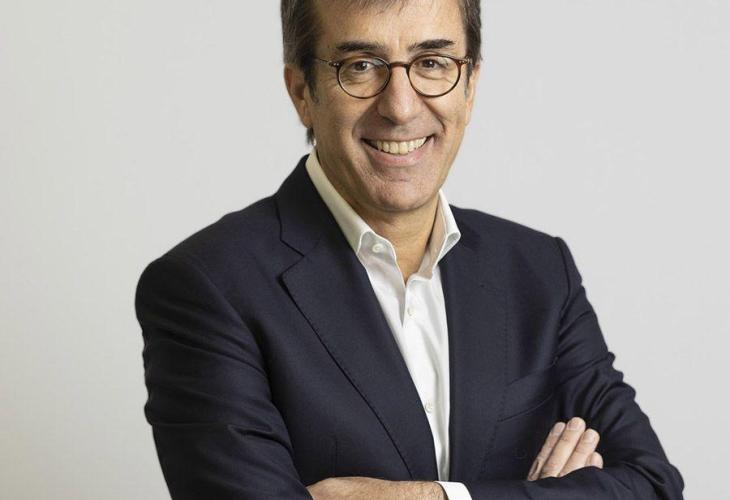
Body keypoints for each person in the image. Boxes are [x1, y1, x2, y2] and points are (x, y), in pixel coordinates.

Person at [134, 1, 684, 498]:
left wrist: (433, 498)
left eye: (432, 63)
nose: (400, 107)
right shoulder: (206, 288)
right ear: (302, 92)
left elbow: (654, 486)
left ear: (470, 86)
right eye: (361, 66)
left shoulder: (539, 270)